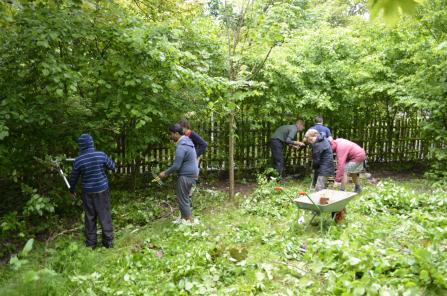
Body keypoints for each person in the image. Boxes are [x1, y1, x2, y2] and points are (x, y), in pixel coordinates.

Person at [69, 133, 116, 248]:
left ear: (81, 146)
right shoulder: (101, 155)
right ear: (91, 143)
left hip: (87, 192)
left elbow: (73, 178)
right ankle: (108, 242)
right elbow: (113, 166)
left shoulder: (78, 160)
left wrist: (72, 190)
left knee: (90, 216)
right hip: (102, 190)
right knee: (104, 214)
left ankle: (91, 244)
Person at [159, 124, 199, 223]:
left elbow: (177, 165)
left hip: (186, 176)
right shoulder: (188, 141)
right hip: (192, 174)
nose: (170, 136)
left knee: (183, 199)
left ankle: (190, 222)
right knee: (183, 197)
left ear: (176, 133)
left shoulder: (182, 146)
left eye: (171, 134)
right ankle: (182, 219)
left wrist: (165, 173)